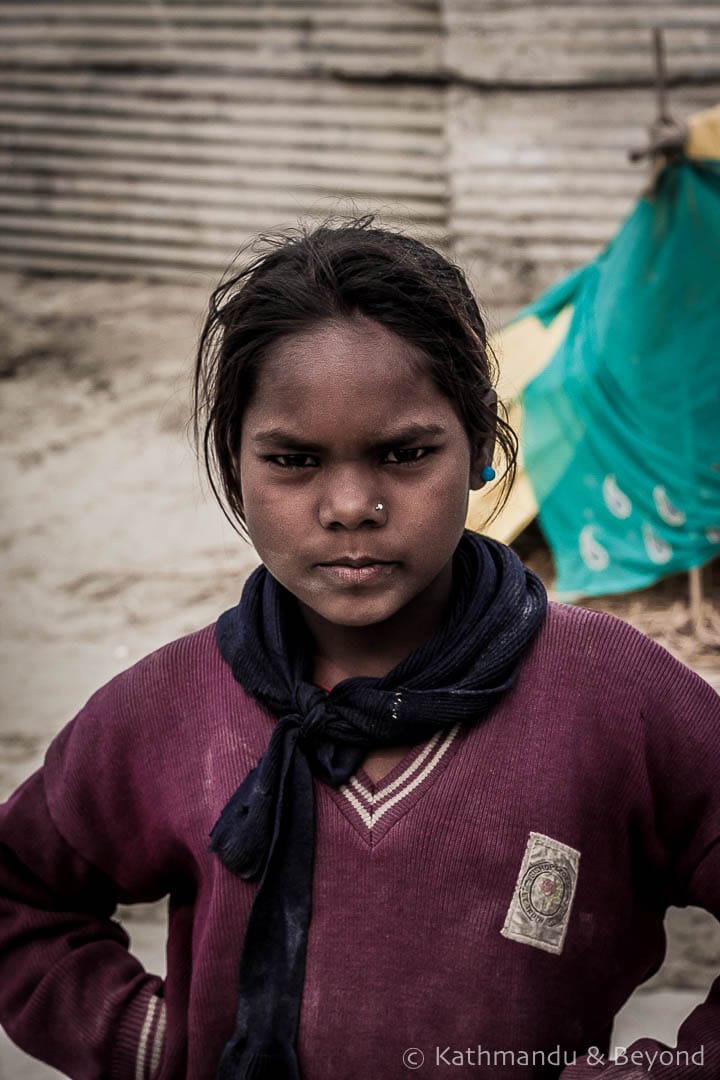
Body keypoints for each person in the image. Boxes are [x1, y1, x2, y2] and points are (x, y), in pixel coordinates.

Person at [0, 217, 718, 1080]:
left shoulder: (612, 695)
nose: (349, 505)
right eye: (294, 460)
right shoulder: (170, 706)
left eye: (403, 453)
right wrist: (156, 1044)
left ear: (485, 446)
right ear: (235, 465)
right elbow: (21, 893)